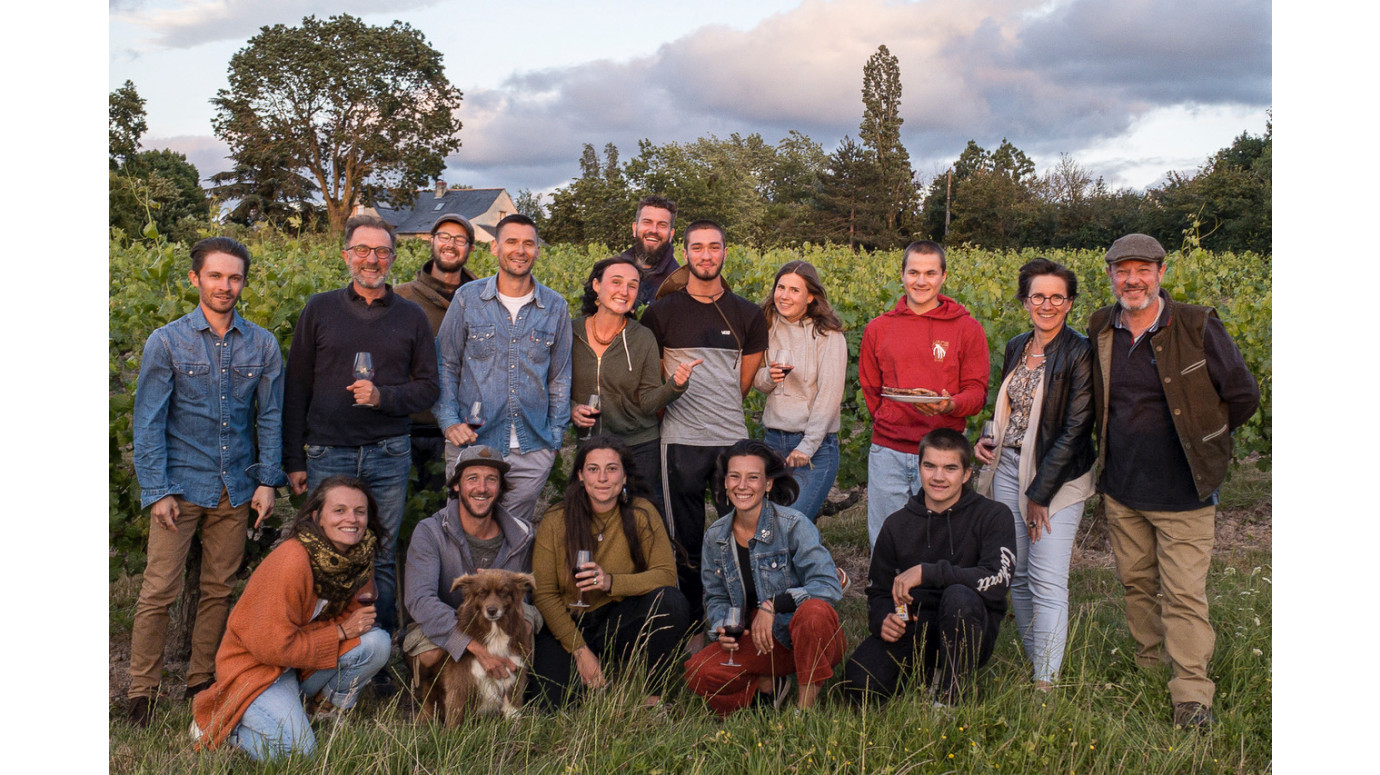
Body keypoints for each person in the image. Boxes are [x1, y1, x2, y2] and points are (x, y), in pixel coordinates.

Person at [1088, 234, 1260, 729]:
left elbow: (1242, 395)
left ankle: (1191, 695)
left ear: (1162, 272)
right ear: (1110, 275)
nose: (1132, 279)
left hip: (1185, 490)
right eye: (1123, 270)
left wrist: (1206, 439)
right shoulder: (1102, 326)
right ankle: (1148, 664)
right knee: (1137, 583)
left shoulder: (1196, 323)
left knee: (1184, 593)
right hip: (1123, 488)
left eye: (1143, 269)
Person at [126, 236, 286, 726]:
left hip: (235, 487)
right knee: (158, 590)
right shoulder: (167, 341)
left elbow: (269, 419)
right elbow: (148, 421)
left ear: (243, 281)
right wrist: (157, 490)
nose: (225, 285)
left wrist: (266, 482)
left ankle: (201, 679)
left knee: (218, 588)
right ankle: (141, 692)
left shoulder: (262, 344)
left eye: (234, 277)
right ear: (195, 279)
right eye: (215, 276)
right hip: (179, 486)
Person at [283, 214, 439, 690]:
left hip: (388, 452)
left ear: (393, 257)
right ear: (347, 254)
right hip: (328, 453)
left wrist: (383, 398)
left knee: (380, 553)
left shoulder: (410, 315)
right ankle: (322, 652)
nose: (372, 259)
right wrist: (293, 460)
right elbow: (296, 388)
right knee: (326, 554)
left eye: (382, 251)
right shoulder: (320, 309)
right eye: (363, 250)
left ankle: (379, 658)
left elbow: (428, 389)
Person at [191, 476, 391, 762]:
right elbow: (272, 648)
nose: (352, 519)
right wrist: (339, 633)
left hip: (298, 666)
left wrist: (346, 626)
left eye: (360, 511)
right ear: (317, 517)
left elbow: (351, 621)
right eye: (340, 510)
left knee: (377, 643)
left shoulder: (356, 558)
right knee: (300, 753)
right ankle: (221, 727)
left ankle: (322, 710)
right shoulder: (292, 560)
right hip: (257, 671)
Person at [974, 258, 1095, 691]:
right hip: (1007, 466)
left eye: (1056, 296)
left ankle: (1047, 682)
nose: (1047, 304)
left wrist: (1039, 495)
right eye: (1038, 296)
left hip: (1057, 477)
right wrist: (986, 441)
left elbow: (1076, 429)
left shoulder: (1080, 351)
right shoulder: (1016, 345)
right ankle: (1037, 658)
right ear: (1025, 301)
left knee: (1047, 576)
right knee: (1018, 572)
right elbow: (1010, 413)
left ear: (1070, 302)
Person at [640, 220, 769, 627]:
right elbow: (658, 382)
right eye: (698, 248)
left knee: (744, 534)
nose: (706, 255)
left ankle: (746, 617)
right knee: (686, 542)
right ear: (687, 252)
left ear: (725, 253)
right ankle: (695, 623)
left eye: (714, 247)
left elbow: (742, 386)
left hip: (732, 443)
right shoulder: (659, 314)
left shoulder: (747, 314)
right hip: (679, 442)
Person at [842, 429, 1016, 705]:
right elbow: (879, 590)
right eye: (930, 466)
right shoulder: (897, 524)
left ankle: (950, 697)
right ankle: (926, 673)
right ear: (919, 468)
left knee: (959, 597)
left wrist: (929, 571)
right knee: (856, 684)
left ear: (967, 474)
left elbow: (997, 580)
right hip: (912, 629)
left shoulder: (993, 516)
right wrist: (884, 619)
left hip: (967, 629)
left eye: (950, 468)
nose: (938, 477)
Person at [684, 440, 845, 715]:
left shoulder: (794, 525)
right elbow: (716, 596)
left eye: (753, 477)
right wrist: (723, 627)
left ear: (768, 484)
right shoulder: (715, 536)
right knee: (698, 672)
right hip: (759, 642)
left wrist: (773, 604)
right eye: (734, 476)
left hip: (805, 637)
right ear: (724, 482)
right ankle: (765, 683)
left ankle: (803, 712)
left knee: (814, 611)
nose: (742, 485)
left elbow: (828, 585)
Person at [528, 436, 690, 709]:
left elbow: (665, 575)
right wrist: (580, 651)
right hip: (569, 620)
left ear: (624, 476)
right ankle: (587, 669)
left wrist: (610, 582)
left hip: (617, 618)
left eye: (612, 469)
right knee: (550, 704)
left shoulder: (642, 513)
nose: (602, 478)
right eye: (593, 469)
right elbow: (544, 595)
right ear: (580, 475)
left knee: (671, 603)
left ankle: (652, 698)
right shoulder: (556, 519)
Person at [434, 213, 572, 525]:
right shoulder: (468, 299)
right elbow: (445, 363)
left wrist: (553, 438)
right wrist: (449, 422)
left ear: (537, 250)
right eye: (511, 242)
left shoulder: (556, 306)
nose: (520, 250)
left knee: (513, 538)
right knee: (463, 533)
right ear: (495, 247)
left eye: (528, 243)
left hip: (531, 448)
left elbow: (560, 376)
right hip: (473, 445)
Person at [859, 240, 990, 550]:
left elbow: (976, 392)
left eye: (930, 273)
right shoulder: (878, 328)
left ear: (943, 277)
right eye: (913, 272)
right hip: (887, 451)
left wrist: (951, 404)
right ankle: (888, 597)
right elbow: (871, 388)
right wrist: (888, 418)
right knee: (886, 539)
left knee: (941, 541)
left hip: (941, 451)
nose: (921, 281)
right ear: (902, 275)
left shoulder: (966, 328)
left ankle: (934, 598)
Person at [402, 444, 540, 693]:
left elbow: (528, 596)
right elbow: (420, 599)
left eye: (491, 479)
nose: (482, 488)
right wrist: (471, 643)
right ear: (456, 485)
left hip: (499, 624)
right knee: (431, 654)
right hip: (444, 624)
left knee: (527, 621)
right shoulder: (430, 532)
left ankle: (505, 698)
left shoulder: (521, 535)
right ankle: (432, 697)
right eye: (472, 478)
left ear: (500, 488)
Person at [571, 255, 699, 516]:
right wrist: (572, 408)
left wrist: (675, 385)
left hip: (638, 447)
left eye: (632, 285)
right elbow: (555, 385)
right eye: (616, 282)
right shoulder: (570, 332)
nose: (624, 291)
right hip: (590, 446)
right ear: (596, 285)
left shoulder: (642, 337)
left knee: (641, 519)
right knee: (591, 518)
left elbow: (648, 401)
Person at [752, 260, 847, 522]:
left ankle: (822, 565)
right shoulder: (766, 327)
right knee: (769, 525)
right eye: (780, 287)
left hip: (814, 447)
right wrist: (769, 377)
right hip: (773, 442)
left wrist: (807, 446)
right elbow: (758, 383)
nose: (784, 296)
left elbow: (828, 396)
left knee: (792, 524)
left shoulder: (829, 336)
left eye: (795, 290)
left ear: (810, 297)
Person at [395, 213, 480, 492]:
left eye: (459, 239)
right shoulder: (400, 298)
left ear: (470, 248)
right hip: (407, 431)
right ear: (431, 242)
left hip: (466, 432)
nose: (450, 244)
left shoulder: (483, 301)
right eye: (444, 237)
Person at [617, 195, 681, 310]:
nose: (653, 230)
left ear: (671, 234)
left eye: (662, 225)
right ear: (635, 228)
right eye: (647, 222)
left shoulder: (678, 285)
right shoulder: (612, 269)